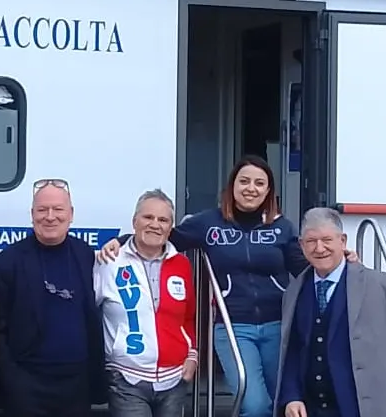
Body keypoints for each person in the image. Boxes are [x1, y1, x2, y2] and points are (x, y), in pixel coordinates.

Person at [98, 155, 306, 417]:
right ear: (232, 186)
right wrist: (123, 240)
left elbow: (305, 266)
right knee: (254, 405)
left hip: (278, 325)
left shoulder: (282, 228)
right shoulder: (209, 223)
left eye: (259, 183)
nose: (250, 188)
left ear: (268, 190)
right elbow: (163, 234)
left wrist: (342, 261)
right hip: (233, 327)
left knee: (283, 401)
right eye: (243, 181)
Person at [274, 208, 386, 417]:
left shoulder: (381, 285)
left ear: (342, 241)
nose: (319, 248)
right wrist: (291, 396)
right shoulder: (294, 291)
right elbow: (293, 350)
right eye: (311, 241)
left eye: (327, 239)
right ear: (301, 245)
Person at [0, 177, 106, 417]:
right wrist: (13, 382)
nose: (50, 216)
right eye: (42, 210)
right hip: (26, 389)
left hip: (76, 388)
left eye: (58, 209)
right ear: (32, 214)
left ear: (71, 214)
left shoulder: (85, 255)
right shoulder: (4, 264)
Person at [95, 190, 197, 417]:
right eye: (148, 217)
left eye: (163, 220)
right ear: (134, 222)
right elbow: (86, 313)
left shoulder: (182, 264)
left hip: (174, 380)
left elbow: (188, 316)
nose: (155, 225)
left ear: (171, 228)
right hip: (125, 378)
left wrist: (192, 355)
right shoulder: (109, 261)